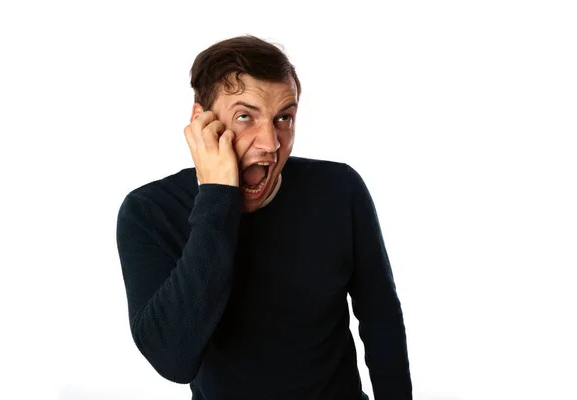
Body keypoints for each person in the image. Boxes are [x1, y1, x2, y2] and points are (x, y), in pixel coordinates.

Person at [116, 35, 412, 400]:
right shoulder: (149, 211)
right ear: (201, 122)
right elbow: (172, 358)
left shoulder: (339, 189)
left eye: (283, 118)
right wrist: (217, 198)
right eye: (245, 116)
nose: (271, 143)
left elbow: (380, 316)